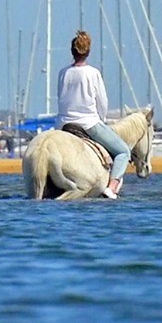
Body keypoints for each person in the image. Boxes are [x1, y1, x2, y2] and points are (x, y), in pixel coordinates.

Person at [56, 30, 130, 198]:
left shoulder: (63, 73)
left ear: (72, 51)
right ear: (88, 52)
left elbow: (60, 97)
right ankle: (111, 187)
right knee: (123, 152)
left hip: (62, 123)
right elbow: (102, 102)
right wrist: (101, 120)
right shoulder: (93, 73)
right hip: (88, 123)